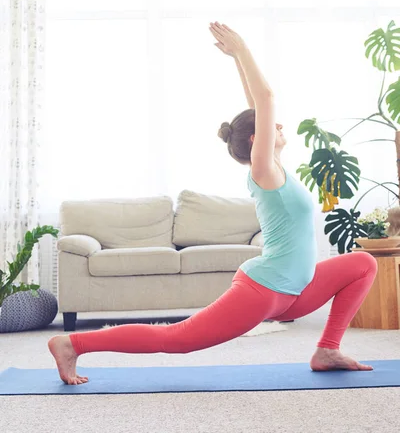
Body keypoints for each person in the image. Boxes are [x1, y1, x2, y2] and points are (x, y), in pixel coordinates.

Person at [48, 22, 378, 385]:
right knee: (178, 339)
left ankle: (327, 349)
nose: (280, 126)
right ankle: (73, 343)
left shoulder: (276, 168)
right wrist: (242, 51)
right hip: (266, 290)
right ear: (257, 141)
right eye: (273, 128)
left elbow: (257, 105)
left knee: (362, 264)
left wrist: (238, 63)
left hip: (296, 290)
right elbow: (265, 100)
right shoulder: (264, 170)